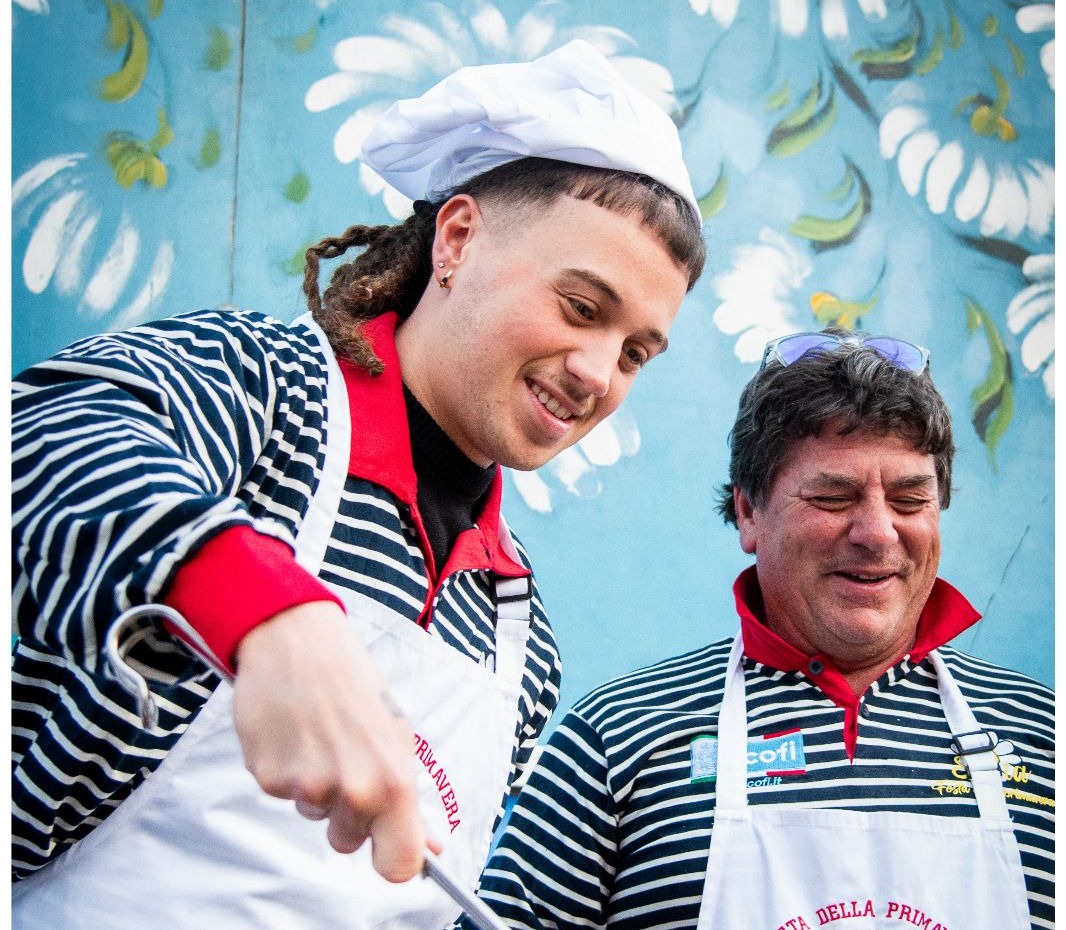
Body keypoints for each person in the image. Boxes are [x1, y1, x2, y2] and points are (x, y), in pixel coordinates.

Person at [10, 40, 706, 930]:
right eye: (582, 307)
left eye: (636, 352)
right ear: (458, 239)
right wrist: (267, 614)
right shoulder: (263, 393)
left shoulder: (520, 638)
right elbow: (42, 437)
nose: (598, 371)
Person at [462, 330, 1054, 930]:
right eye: (832, 496)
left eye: (908, 500)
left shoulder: (1044, 737)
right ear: (748, 511)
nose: (878, 533)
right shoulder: (618, 739)